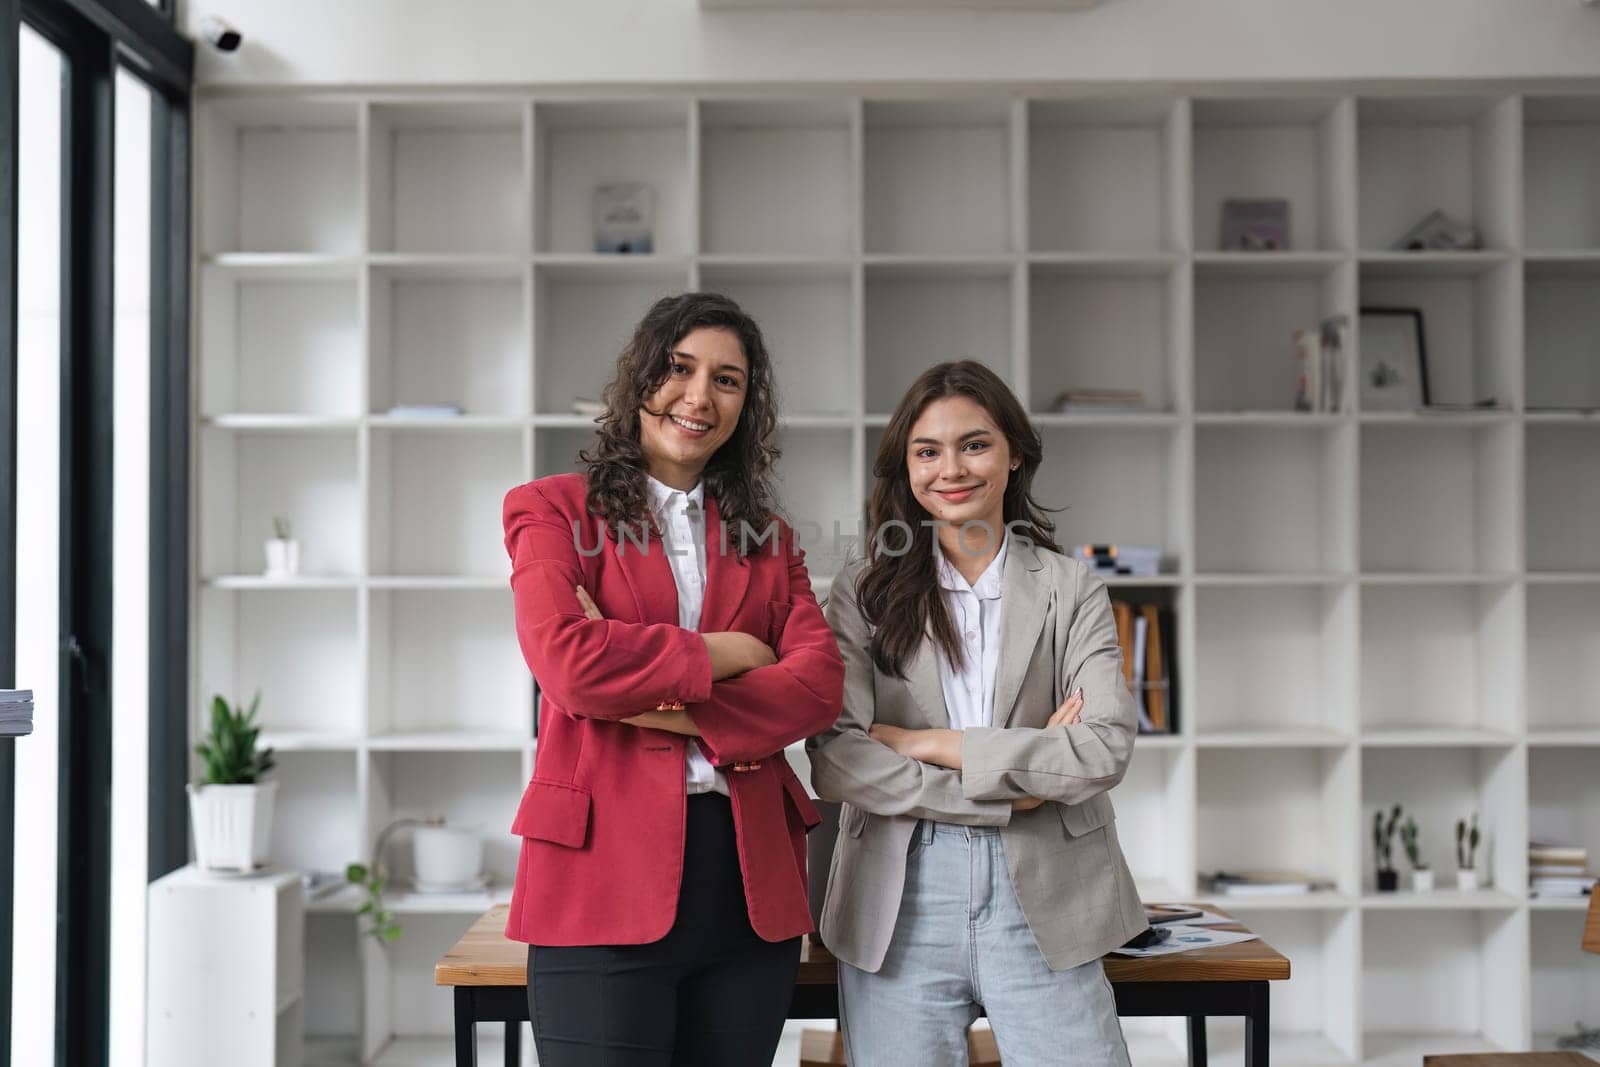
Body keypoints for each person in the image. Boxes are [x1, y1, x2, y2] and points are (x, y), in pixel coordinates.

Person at [502, 291, 844, 1066]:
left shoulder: (769, 537)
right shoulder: (550, 510)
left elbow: (819, 686)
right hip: (599, 876)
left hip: (746, 886)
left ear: (745, 405)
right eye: (680, 368)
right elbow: (569, 663)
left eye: (727, 379)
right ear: (640, 379)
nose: (699, 396)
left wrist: (671, 709)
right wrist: (732, 651)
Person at [808, 359, 1146, 1065]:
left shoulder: (1069, 586)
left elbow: (1104, 744)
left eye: (975, 444)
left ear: (1014, 451)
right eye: (927, 451)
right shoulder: (862, 590)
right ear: (906, 466)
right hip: (900, 896)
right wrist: (1010, 786)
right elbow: (838, 757)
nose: (950, 469)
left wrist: (933, 741)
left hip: (1048, 888)